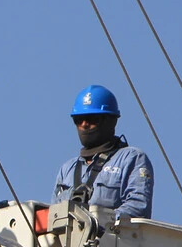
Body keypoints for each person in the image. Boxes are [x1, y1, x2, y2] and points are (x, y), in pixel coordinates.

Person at [53, 84, 153, 220]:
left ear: (111, 121)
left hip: (111, 239)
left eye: (92, 119)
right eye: (78, 120)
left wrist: (97, 222)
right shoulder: (67, 169)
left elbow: (138, 207)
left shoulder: (131, 159)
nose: (84, 124)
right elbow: (53, 215)